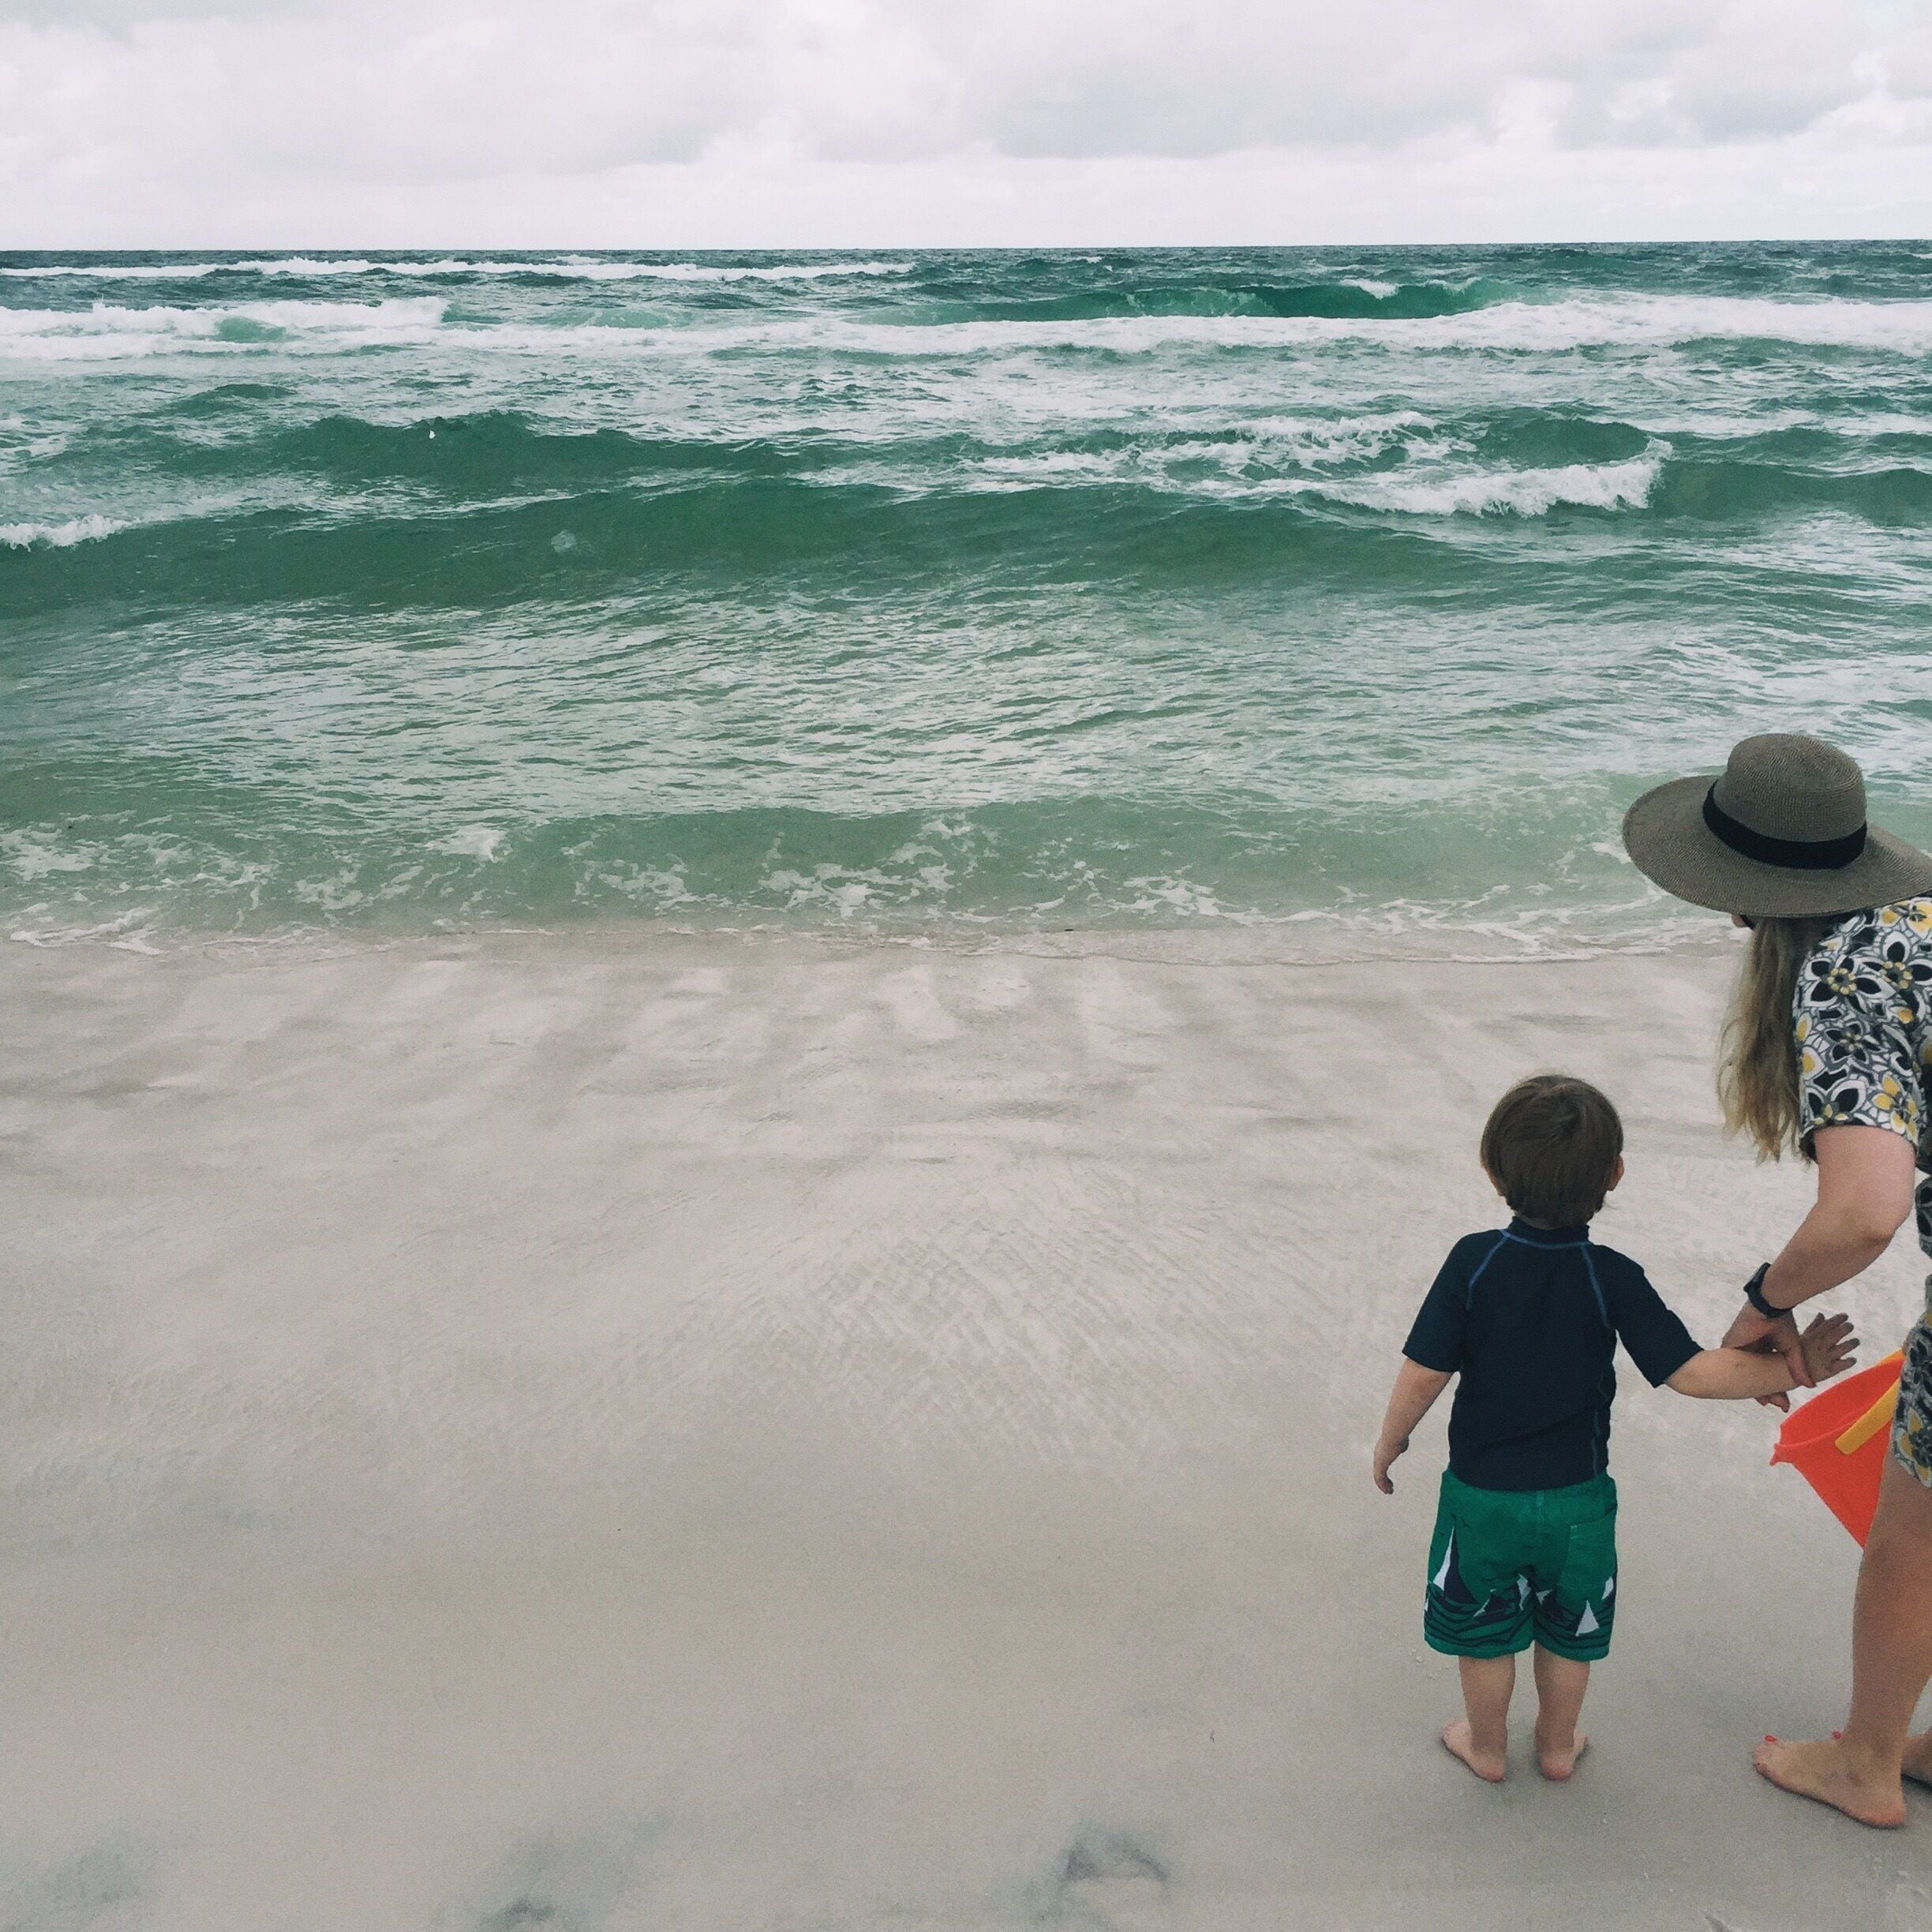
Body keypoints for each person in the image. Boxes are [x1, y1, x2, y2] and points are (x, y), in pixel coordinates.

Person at [1373, 1073, 1857, 1785]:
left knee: (1484, 1635)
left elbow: (1425, 1370)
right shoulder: (1613, 1276)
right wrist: (1790, 1369)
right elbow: (1691, 1372)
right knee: (1569, 1633)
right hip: (1579, 1505)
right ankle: (1556, 1747)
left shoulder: (1473, 1263)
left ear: (1493, 1172)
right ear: (1615, 1174)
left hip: (1483, 1500)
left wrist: (1391, 1440)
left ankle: (1486, 1747)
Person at [1624, 731, 1932, 1827]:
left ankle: (1866, 1765)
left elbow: (1864, 1208)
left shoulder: (1849, 968)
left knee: (1918, 1530)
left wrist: (1768, 1302)